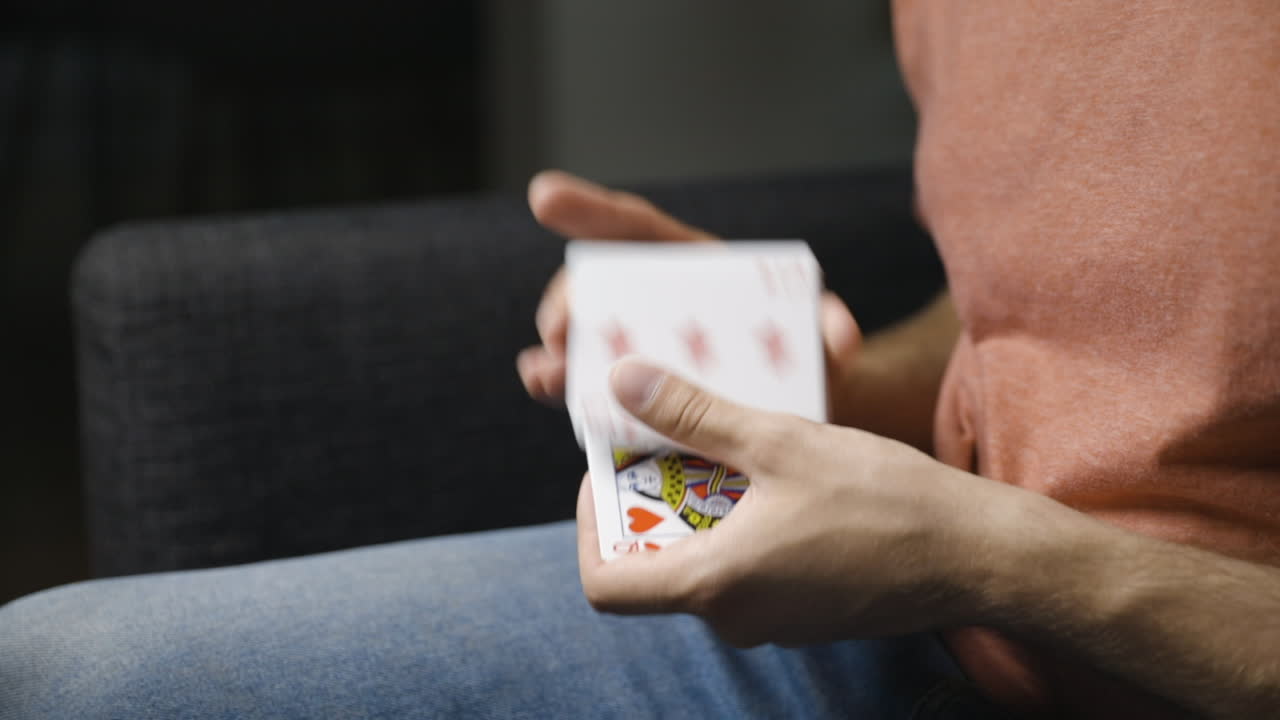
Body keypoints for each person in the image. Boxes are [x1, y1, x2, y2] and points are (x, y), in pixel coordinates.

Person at [4, 3, 1278, 718]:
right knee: (56, 678)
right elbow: (1076, 303)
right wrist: (807, 373)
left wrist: (988, 552)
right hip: (920, 626)